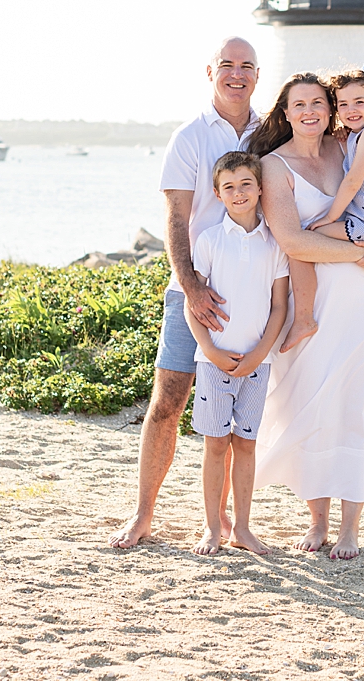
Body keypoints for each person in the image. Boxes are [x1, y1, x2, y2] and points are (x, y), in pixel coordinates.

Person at [249, 73, 364, 559]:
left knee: (355, 406)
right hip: (313, 303)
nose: (309, 111)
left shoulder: (352, 145)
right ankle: (317, 520)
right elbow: (293, 241)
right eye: (298, 104)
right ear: (285, 111)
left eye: (317, 103)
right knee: (310, 402)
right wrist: (361, 251)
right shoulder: (272, 166)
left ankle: (350, 529)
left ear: (332, 108)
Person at [107, 37, 261, 550]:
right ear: (211, 72)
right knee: (168, 400)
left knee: (236, 416)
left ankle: (219, 524)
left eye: (246, 66)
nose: (236, 74)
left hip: (252, 293)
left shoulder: (270, 134)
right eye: (227, 66)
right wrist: (192, 284)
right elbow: (175, 218)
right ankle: (143, 512)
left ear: (257, 75)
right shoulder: (189, 136)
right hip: (191, 292)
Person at [183, 151, 290, 556]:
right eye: (229, 187)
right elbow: (193, 303)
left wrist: (261, 351)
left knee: (245, 445)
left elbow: (279, 306)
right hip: (213, 363)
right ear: (217, 193)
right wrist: (209, 349)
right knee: (215, 444)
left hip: (257, 363)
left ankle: (242, 529)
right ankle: (213, 528)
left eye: (246, 184)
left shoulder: (274, 244)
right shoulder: (209, 240)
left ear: (260, 188)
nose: (239, 192)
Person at [285, 65, 364, 317]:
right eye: (343, 104)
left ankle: (303, 317)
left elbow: (352, 181)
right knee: (304, 242)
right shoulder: (359, 134)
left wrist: (329, 218)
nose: (351, 110)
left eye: (359, 102)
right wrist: (347, 135)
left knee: (304, 240)